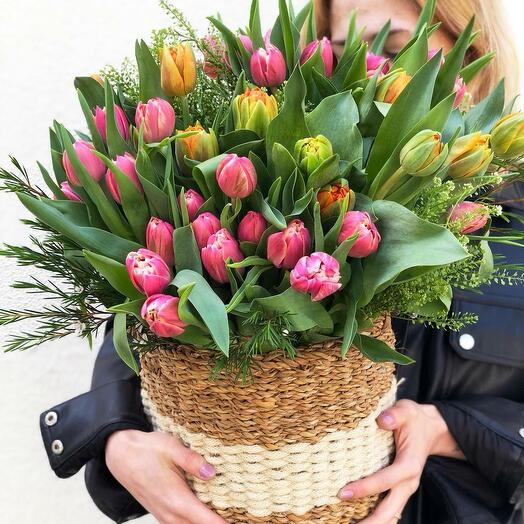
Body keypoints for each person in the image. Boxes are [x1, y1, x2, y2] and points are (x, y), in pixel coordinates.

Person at [40, 1, 524, 523]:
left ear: (467, 53)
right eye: (347, 50)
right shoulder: (312, 182)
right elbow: (152, 317)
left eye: (395, 46)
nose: (373, 71)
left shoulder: (511, 217)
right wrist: (118, 438)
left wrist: (448, 429)